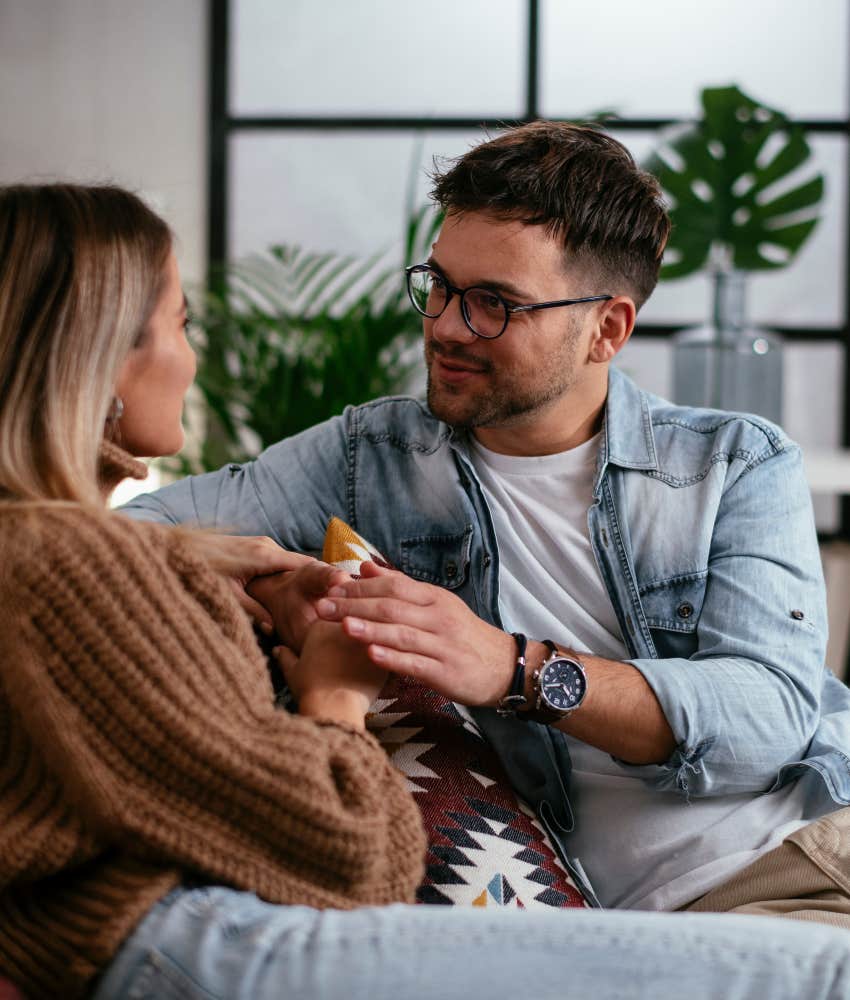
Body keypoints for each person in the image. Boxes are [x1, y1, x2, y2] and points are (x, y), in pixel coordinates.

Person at [6, 189, 850, 1000]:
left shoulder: (732, 462)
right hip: (578, 923)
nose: (446, 326)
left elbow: (767, 721)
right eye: (439, 287)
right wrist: (263, 566)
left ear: (607, 328)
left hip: (781, 866)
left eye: (493, 302)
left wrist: (513, 669)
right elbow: (102, 532)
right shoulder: (369, 454)